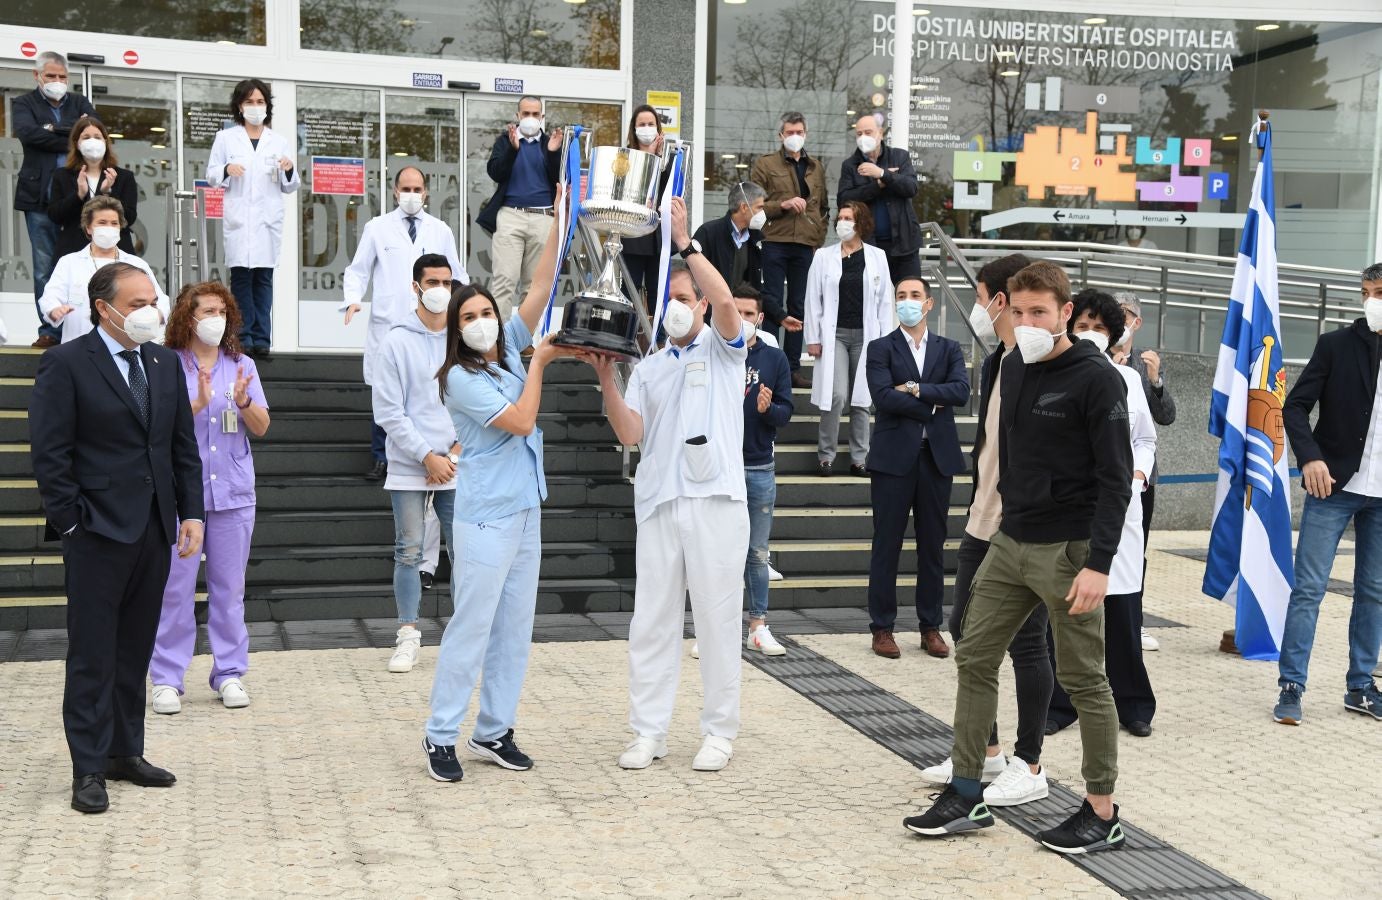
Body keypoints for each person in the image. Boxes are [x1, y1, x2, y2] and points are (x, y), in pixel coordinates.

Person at [902, 261, 1132, 855]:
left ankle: (1101, 812)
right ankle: (965, 791)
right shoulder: (1012, 364)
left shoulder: (1096, 377)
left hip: (1070, 550)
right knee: (974, 654)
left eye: (1040, 312)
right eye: (1019, 311)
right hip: (1011, 540)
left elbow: (1116, 481)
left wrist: (1099, 564)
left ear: (1064, 313)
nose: (1026, 321)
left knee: (1085, 679)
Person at [29, 261, 204, 814]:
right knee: (92, 655)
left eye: (152, 299)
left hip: (153, 529)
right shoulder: (65, 364)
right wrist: (72, 523)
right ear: (103, 309)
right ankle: (87, 767)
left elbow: (181, 448)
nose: (150, 311)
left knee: (134, 649)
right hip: (96, 531)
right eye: (136, 303)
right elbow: (50, 455)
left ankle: (125, 751)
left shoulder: (162, 362)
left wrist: (190, 512)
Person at [590, 197, 749, 774]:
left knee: (716, 618)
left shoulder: (726, 349)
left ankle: (717, 732)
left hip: (716, 502)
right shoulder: (650, 366)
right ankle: (648, 730)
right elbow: (630, 432)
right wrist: (609, 381)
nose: (678, 309)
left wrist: (686, 243)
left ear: (701, 305)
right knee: (651, 623)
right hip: (659, 503)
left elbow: (729, 301)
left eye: (686, 300)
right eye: (672, 302)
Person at [422, 212, 573, 782]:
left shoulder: (509, 344)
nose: (483, 322)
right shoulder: (459, 378)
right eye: (471, 317)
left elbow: (539, 285)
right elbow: (523, 418)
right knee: (473, 624)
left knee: (514, 627)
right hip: (485, 518)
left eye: (487, 312)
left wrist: (563, 218)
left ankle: (493, 729)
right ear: (456, 329)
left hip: (525, 509)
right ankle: (440, 736)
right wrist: (541, 363)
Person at [920, 253, 1055, 809]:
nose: (978, 307)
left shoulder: (1043, 363)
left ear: (1001, 301)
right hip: (984, 518)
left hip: (1025, 527)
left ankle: (1030, 762)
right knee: (965, 629)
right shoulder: (999, 360)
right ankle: (988, 750)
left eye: (980, 297)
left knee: (1026, 642)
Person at [149, 282, 270, 715]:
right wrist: (197, 404)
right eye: (207, 311)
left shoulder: (242, 364)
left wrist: (243, 402)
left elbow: (261, 425)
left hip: (234, 494)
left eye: (222, 310)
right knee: (174, 590)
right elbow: (155, 432)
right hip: (184, 498)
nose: (216, 318)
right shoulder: (166, 365)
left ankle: (230, 673)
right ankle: (166, 678)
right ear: (187, 317)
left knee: (229, 589)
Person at [1273, 262, 1382, 726]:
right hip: (1332, 483)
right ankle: (1292, 684)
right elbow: (1295, 405)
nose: (1371, 300)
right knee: (1309, 590)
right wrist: (1311, 457)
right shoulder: (1337, 344)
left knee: (1374, 592)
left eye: (1378, 291)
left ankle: (1361, 687)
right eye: (1366, 292)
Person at [1050, 288, 1158, 737]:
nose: (1091, 334)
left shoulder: (1130, 380)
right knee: (1068, 611)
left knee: (1121, 610)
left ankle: (1132, 702)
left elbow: (1146, 439)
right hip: (1070, 511)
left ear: (1113, 333)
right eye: (1083, 326)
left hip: (1120, 508)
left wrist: (1137, 474)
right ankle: (1059, 704)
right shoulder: (1050, 376)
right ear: (1069, 326)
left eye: (1099, 327)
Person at [863, 276, 968, 660]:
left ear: (929, 303)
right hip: (893, 459)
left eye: (914, 296)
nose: (907, 302)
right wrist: (930, 402)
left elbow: (960, 391)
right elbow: (883, 397)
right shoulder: (880, 348)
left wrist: (916, 388)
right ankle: (882, 628)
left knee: (932, 548)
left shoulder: (949, 348)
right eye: (901, 296)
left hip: (936, 458)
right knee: (886, 545)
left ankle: (930, 626)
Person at [342, 166, 467, 481]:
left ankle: (430, 451)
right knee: (385, 390)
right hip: (391, 321)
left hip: (431, 325)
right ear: (395, 191)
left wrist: (465, 310)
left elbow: (458, 276)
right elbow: (358, 270)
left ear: (426, 192)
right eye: (406, 189)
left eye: (418, 189)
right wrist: (353, 298)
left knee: (426, 386)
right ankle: (381, 457)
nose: (412, 195)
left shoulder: (440, 231)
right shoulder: (377, 227)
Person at [374, 253, 462, 674]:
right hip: (410, 464)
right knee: (408, 551)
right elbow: (389, 411)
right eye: (433, 281)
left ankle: (465, 639)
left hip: (457, 463)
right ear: (416, 287)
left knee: (464, 552)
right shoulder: (395, 340)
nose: (441, 290)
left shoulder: (461, 337)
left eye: (447, 281)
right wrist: (426, 455)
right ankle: (408, 634)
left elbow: (477, 401)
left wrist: (452, 455)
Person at [205, 78, 300, 358]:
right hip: (239, 222)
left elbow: (290, 185)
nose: (255, 107)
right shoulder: (226, 138)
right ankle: (242, 336)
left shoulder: (278, 141)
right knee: (241, 280)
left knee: (264, 280)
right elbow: (211, 175)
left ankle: (262, 338)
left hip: (267, 222)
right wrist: (226, 168)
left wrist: (289, 167)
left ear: (267, 107)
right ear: (239, 106)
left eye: (260, 102)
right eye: (249, 102)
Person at [15, 51, 96, 349]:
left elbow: (94, 133)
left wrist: (52, 131)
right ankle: (50, 330)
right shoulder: (23, 103)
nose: (57, 82)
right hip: (39, 198)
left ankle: (84, 329)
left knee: (82, 263)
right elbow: (28, 135)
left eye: (62, 77)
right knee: (44, 266)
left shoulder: (81, 102)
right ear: (37, 76)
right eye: (51, 76)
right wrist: (74, 134)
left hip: (79, 200)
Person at [804, 202, 892, 477]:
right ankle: (826, 455)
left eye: (848, 218)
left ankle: (859, 458)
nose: (842, 222)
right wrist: (813, 338)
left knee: (862, 398)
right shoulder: (823, 256)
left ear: (861, 223)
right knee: (836, 394)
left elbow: (885, 303)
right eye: (839, 218)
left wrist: (886, 342)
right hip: (835, 336)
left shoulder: (877, 257)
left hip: (867, 336)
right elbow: (812, 300)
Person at [1113, 292, 1176, 652]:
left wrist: (1156, 381)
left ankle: (1132, 623)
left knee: (1136, 549)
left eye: (1125, 315)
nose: (1119, 321)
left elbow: (1166, 416)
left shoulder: (1144, 362)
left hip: (1140, 475)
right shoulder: (1092, 357)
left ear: (1137, 321)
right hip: (1097, 472)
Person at [735, 284, 794, 656]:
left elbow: (786, 413)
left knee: (757, 553)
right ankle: (716, 629)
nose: (741, 320)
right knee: (718, 553)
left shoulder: (774, 359)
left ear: (760, 318)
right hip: (718, 468)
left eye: (748, 314)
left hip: (758, 466)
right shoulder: (714, 353)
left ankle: (758, 625)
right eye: (734, 312)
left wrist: (766, 409)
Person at [751, 112, 828, 390]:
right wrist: (782, 204)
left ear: (805, 133)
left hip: (805, 245)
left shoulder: (816, 167)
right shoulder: (765, 164)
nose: (795, 136)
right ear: (781, 135)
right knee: (773, 304)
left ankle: (793, 368)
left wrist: (818, 235)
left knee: (800, 305)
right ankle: (770, 364)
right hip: (774, 241)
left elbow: (824, 207)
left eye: (799, 131)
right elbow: (754, 203)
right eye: (790, 131)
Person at [478, 95, 563, 320]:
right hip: (510, 216)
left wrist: (554, 153)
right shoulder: (505, 141)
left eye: (535, 114)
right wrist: (513, 149)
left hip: (543, 217)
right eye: (526, 114)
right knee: (504, 281)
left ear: (542, 117)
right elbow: (495, 172)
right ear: (518, 116)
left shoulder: (550, 143)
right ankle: (499, 340)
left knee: (534, 286)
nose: (530, 118)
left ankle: (523, 340)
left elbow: (561, 180)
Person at [39, 197, 168, 344]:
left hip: (125, 346)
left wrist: (154, 315)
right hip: (80, 347)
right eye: (102, 223)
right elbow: (50, 296)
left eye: (114, 223)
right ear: (88, 227)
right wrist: (55, 310)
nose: (109, 228)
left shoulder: (136, 264)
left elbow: (161, 301)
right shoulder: (69, 262)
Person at [837, 114, 921, 288]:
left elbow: (911, 188)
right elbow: (844, 200)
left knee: (910, 298)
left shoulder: (900, 157)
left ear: (880, 133)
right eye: (859, 134)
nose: (863, 137)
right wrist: (878, 185)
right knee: (870, 300)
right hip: (869, 245)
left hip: (904, 244)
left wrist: (883, 174)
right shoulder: (850, 165)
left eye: (868, 132)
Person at [48, 116, 138, 259]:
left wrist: (108, 192)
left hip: (116, 252)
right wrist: (79, 195)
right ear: (77, 143)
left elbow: (130, 218)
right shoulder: (62, 175)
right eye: (86, 137)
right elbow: (55, 215)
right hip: (74, 250)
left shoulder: (123, 176)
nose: (92, 141)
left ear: (105, 142)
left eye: (97, 137)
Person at [618, 105, 675, 308]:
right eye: (642, 124)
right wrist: (650, 156)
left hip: (658, 238)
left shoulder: (669, 157)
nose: (647, 128)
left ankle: (657, 338)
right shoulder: (625, 158)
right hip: (633, 236)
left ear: (659, 128)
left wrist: (659, 157)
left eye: (651, 124)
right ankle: (628, 337)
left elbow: (669, 191)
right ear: (634, 129)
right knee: (629, 292)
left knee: (658, 294)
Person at [691, 182, 771, 308]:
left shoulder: (754, 240)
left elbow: (754, 288)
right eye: (759, 207)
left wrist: (780, 316)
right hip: (710, 315)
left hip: (739, 317)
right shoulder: (708, 232)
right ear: (744, 207)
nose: (763, 213)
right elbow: (692, 277)